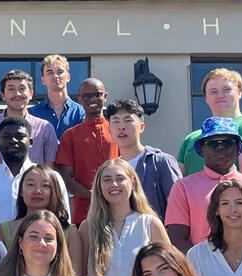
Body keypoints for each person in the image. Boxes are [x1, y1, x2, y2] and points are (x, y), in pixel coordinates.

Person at [165, 117, 242, 251]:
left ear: (237, 148)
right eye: (213, 143)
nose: (220, 147)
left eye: (227, 143)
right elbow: (176, 238)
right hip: (200, 269)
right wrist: (202, 265)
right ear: (201, 149)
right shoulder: (183, 187)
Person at [0, 116, 68, 236]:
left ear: (31, 142)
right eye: (7, 137)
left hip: (41, 251)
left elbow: (64, 225)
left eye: (20, 136)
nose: (13, 140)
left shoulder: (52, 178)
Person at [178, 68, 242, 178]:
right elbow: (178, 184)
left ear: (240, 92)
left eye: (227, 90)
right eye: (213, 91)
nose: (220, 95)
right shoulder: (191, 138)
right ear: (206, 98)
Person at [105, 99, 182, 221]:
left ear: (141, 127)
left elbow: (179, 209)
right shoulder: (110, 170)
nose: (121, 127)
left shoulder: (161, 162)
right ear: (109, 129)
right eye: (116, 121)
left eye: (128, 120)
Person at [55, 78, 119, 226]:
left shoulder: (116, 130)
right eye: (86, 96)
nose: (92, 99)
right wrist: (95, 196)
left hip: (117, 210)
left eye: (97, 95)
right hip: (84, 214)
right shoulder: (70, 135)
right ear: (79, 100)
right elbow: (66, 177)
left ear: (105, 96)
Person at [0, 70, 57, 165]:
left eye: (22, 88)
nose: (17, 94)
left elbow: (49, 168)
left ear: (31, 94)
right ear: (3, 95)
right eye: (11, 89)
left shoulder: (45, 128)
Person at [0, 163, 72, 250]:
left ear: (54, 191)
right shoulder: (5, 229)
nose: (37, 191)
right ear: (21, 192)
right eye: (30, 185)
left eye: (45, 185)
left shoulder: (70, 232)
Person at [29, 54, 85, 139]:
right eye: (50, 72)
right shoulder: (32, 114)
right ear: (43, 80)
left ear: (68, 77)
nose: (55, 76)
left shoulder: (81, 113)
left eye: (60, 72)